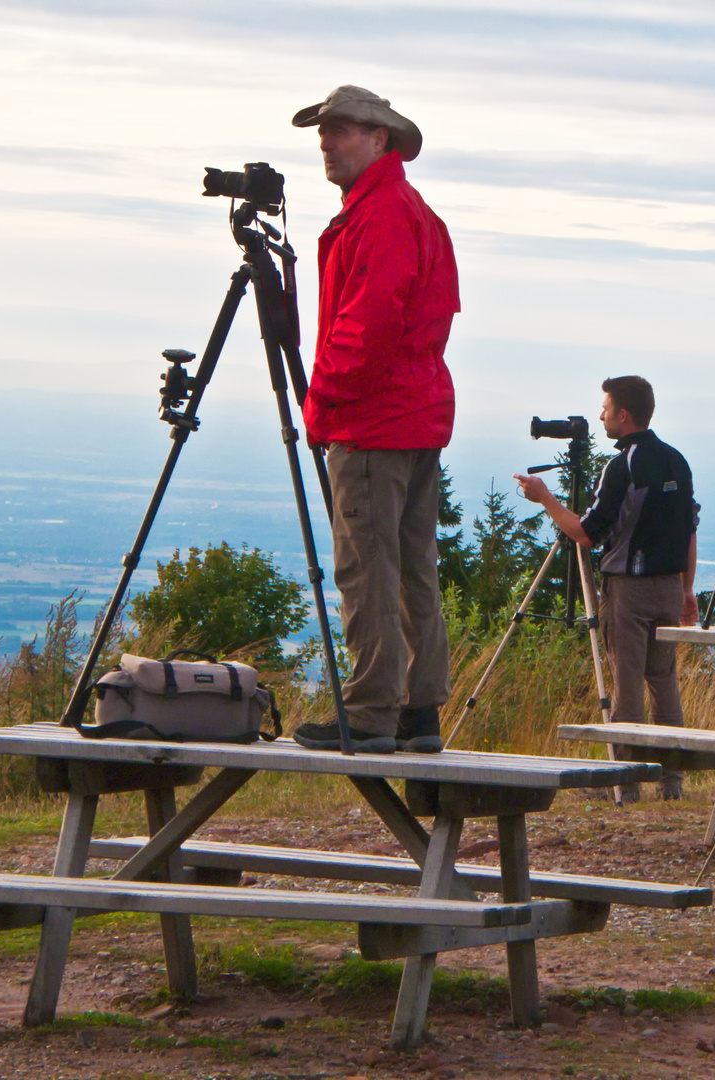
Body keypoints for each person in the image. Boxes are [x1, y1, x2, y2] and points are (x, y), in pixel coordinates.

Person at [289, 85, 460, 754]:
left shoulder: (381, 215)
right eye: (324, 132)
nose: (328, 142)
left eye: (343, 130)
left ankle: (370, 712)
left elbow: (368, 326)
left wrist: (322, 400)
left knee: (366, 570)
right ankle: (420, 711)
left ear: (380, 138)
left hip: (374, 421)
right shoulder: (412, 212)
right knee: (412, 565)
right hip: (416, 414)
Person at [514, 376, 698, 800]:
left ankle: (626, 784)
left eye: (606, 408)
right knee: (664, 680)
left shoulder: (623, 464)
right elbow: (689, 529)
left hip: (629, 590)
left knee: (627, 685)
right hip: (671, 587)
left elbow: (585, 533)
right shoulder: (677, 461)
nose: (601, 415)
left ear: (624, 415)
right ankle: (672, 782)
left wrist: (545, 498)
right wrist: (688, 590)